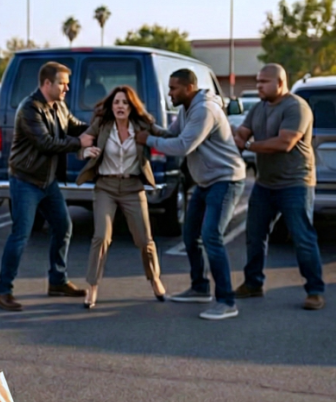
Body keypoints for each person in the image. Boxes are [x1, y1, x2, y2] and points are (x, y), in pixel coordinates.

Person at [137, 69, 245, 321]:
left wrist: (148, 140)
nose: (169, 93)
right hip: (206, 181)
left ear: (189, 88)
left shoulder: (204, 110)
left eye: (173, 88)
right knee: (190, 234)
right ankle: (200, 288)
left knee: (211, 237)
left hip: (225, 180)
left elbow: (184, 145)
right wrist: (150, 127)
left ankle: (226, 301)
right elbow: (172, 134)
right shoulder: (187, 109)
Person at [0, 61, 88, 311]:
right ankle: (3, 291)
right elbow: (45, 143)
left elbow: (75, 126)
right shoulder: (30, 108)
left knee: (63, 226)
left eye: (67, 84)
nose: (67, 88)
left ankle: (57, 281)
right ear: (47, 83)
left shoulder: (58, 105)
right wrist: (79, 143)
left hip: (47, 181)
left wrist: (99, 128)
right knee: (20, 235)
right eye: (62, 84)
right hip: (25, 180)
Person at [233, 63, 325, 310]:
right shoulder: (259, 108)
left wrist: (248, 145)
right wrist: (241, 137)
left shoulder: (296, 107)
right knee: (255, 236)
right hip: (265, 183)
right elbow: (242, 132)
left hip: (295, 183)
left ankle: (315, 291)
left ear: (280, 83)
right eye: (258, 81)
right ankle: (253, 283)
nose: (259, 86)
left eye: (264, 82)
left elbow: (284, 143)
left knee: (302, 238)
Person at [78, 86, 166, 308]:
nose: (120, 106)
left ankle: (154, 279)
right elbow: (82, 142)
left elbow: (165, 136)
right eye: (116, 102)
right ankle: (92, 287)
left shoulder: (142, 125)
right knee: (101, 237)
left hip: (132, 186)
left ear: (131, 107)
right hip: (106, 186)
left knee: (144, 239)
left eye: (125, 103)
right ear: (111, 105)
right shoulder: (102, 124)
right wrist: (85, 151)